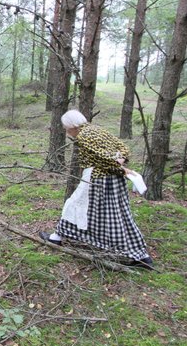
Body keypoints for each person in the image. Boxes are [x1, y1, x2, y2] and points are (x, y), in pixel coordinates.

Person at [39, 109, 153, 269]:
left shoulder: (84, 136)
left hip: (98, 179)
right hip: (113, 179)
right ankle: (142, 256)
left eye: (66, 128)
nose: (66, 131)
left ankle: (137, 256)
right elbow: (123, 148)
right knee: (118, 213)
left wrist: (120, 167)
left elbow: (102, 158)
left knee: (86, 208)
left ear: (73, 125)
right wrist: (121, 162)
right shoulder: (97, 129)